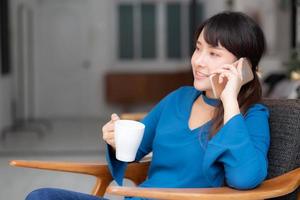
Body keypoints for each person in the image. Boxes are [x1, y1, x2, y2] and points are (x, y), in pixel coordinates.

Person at [25, 11, 270, 200]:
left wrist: (229, 102)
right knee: (42, 196)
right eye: (197, 49)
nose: (198, 61)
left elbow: (244, 178)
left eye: (214, 54)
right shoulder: (179, 98)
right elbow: (134, 150)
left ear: (243, 67)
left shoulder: (251, 116)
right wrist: (115, 141)